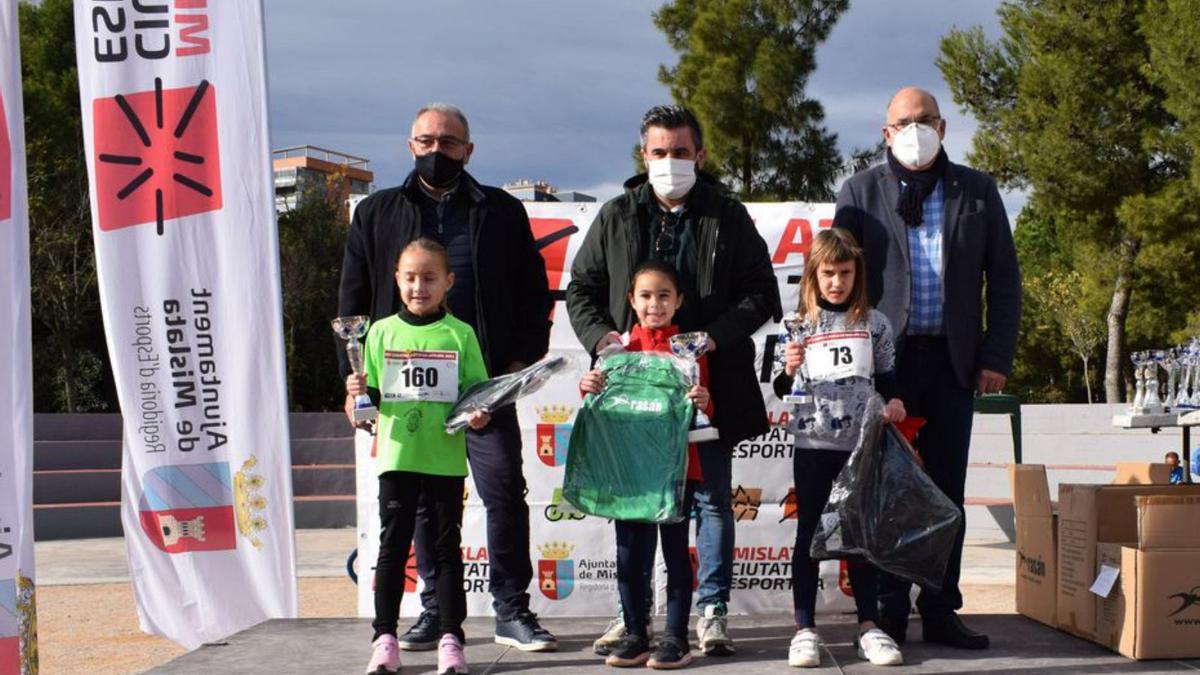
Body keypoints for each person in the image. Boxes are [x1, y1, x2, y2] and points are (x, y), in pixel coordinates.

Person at [338, 103, 557, 652]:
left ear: (469, 150)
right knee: (422, 507)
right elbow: (352, 306)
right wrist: (358, 385)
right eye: (427, 141)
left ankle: (511, 610)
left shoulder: (502, 211)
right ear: (410, 145)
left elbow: (535, 295)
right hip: (407, 393)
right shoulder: (377, 212)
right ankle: (434, 611)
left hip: (482, 388)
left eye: (450, 143)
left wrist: (516, 366)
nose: (438, 152)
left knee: (504, 492)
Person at [567, 105, 782, 656]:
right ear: (645, 156)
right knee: (637, 505)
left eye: (681, 153)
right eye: (660, 153)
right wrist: (603, 342)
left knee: (710, 503)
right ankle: (631, 617)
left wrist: (710, 338)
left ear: (700, 156)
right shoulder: (616, 215)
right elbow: (582, 291)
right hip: (633, 401)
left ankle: (711, 615)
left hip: (707, 391)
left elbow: (762, 294)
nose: (670, 162)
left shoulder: (727, 216)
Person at [834, 86, 1022, 650]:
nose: (914, 130)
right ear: (886, 132)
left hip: (954, 365)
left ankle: (941, 607)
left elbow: (1006, 281)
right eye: (903, 121)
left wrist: (995, 356)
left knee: (945, 492)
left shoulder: (979, 191)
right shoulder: (859, 191)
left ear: (942, 127)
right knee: (889, 491)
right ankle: (889, 613)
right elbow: (836, 278)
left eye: (925, 120)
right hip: (885, 366)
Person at [352, 239, 491, 675]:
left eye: (429, 278)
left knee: (447, 549)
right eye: (410, 277)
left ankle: (451, 642)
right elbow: (366, 399)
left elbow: (476, 396)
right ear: (396, 279)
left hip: (445, 460)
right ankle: (385, 640)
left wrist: (479, 415)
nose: (419, 286)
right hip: (397, 457)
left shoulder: (460, 333)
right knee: (393, 548)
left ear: (448, 282)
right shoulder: (378, 332)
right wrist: (355, 402)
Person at [771, 229, 906, 668]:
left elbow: (886, 379)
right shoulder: (797, 325)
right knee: (810, 530)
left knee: (859, 533)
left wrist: (896, 403)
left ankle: (869, 625)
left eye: (845, 273)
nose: (836, 283)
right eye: (828, 274)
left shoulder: (875, 323)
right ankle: (804, 627)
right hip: (813, 442)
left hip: (860, 444)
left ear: (857, 274)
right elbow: (777, 385)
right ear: (813, 274)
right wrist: (789, 368)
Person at [579, 261, 711, 670]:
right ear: (631, 301)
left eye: (664, 296)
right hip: (629, 472)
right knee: (629, 555)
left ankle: (676, 637)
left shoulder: (688, 350)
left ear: (679, 301)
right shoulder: (614, 351)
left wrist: (705, 401)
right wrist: (588, 387)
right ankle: (636, 633)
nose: (655, 304)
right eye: (647, 296)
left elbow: (704, 410)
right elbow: (598, 406)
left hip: (674, 470)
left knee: (675, 555)